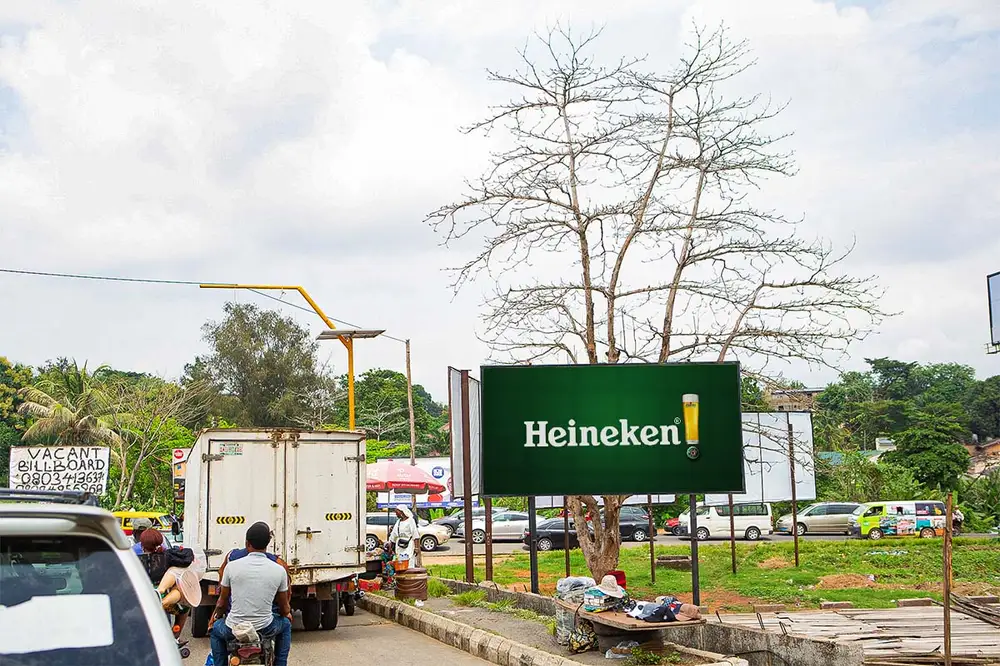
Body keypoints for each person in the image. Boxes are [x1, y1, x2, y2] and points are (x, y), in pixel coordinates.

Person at [209, 522, 292, 666]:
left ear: (247, 543)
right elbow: (284, 607)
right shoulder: (279, 570)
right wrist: (287, 614)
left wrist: (215, 618)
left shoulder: (231, 566)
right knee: (285, 625)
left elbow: (221, 602)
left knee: (216, 631)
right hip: (266, 628)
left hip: (233, 629)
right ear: (267, 545)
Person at [138, 529, 197, 641]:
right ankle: (176, 634)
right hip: (165, 599)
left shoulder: (135, 559)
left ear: (142, 544)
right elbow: (188, 555)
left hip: (141, 597)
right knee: (185, 607)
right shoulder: (167, 556)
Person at [388, 505, 418, 571]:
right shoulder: (398, 522)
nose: (396, 514)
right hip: (399, 546)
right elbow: (394, 535)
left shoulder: (410, 521)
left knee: (408, 563)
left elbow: (415, 535)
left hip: (408, 545)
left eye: (397, 512)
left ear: (401, 512)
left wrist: (416, 548)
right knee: (399, 563)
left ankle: (409, 578)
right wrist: (390, 546)